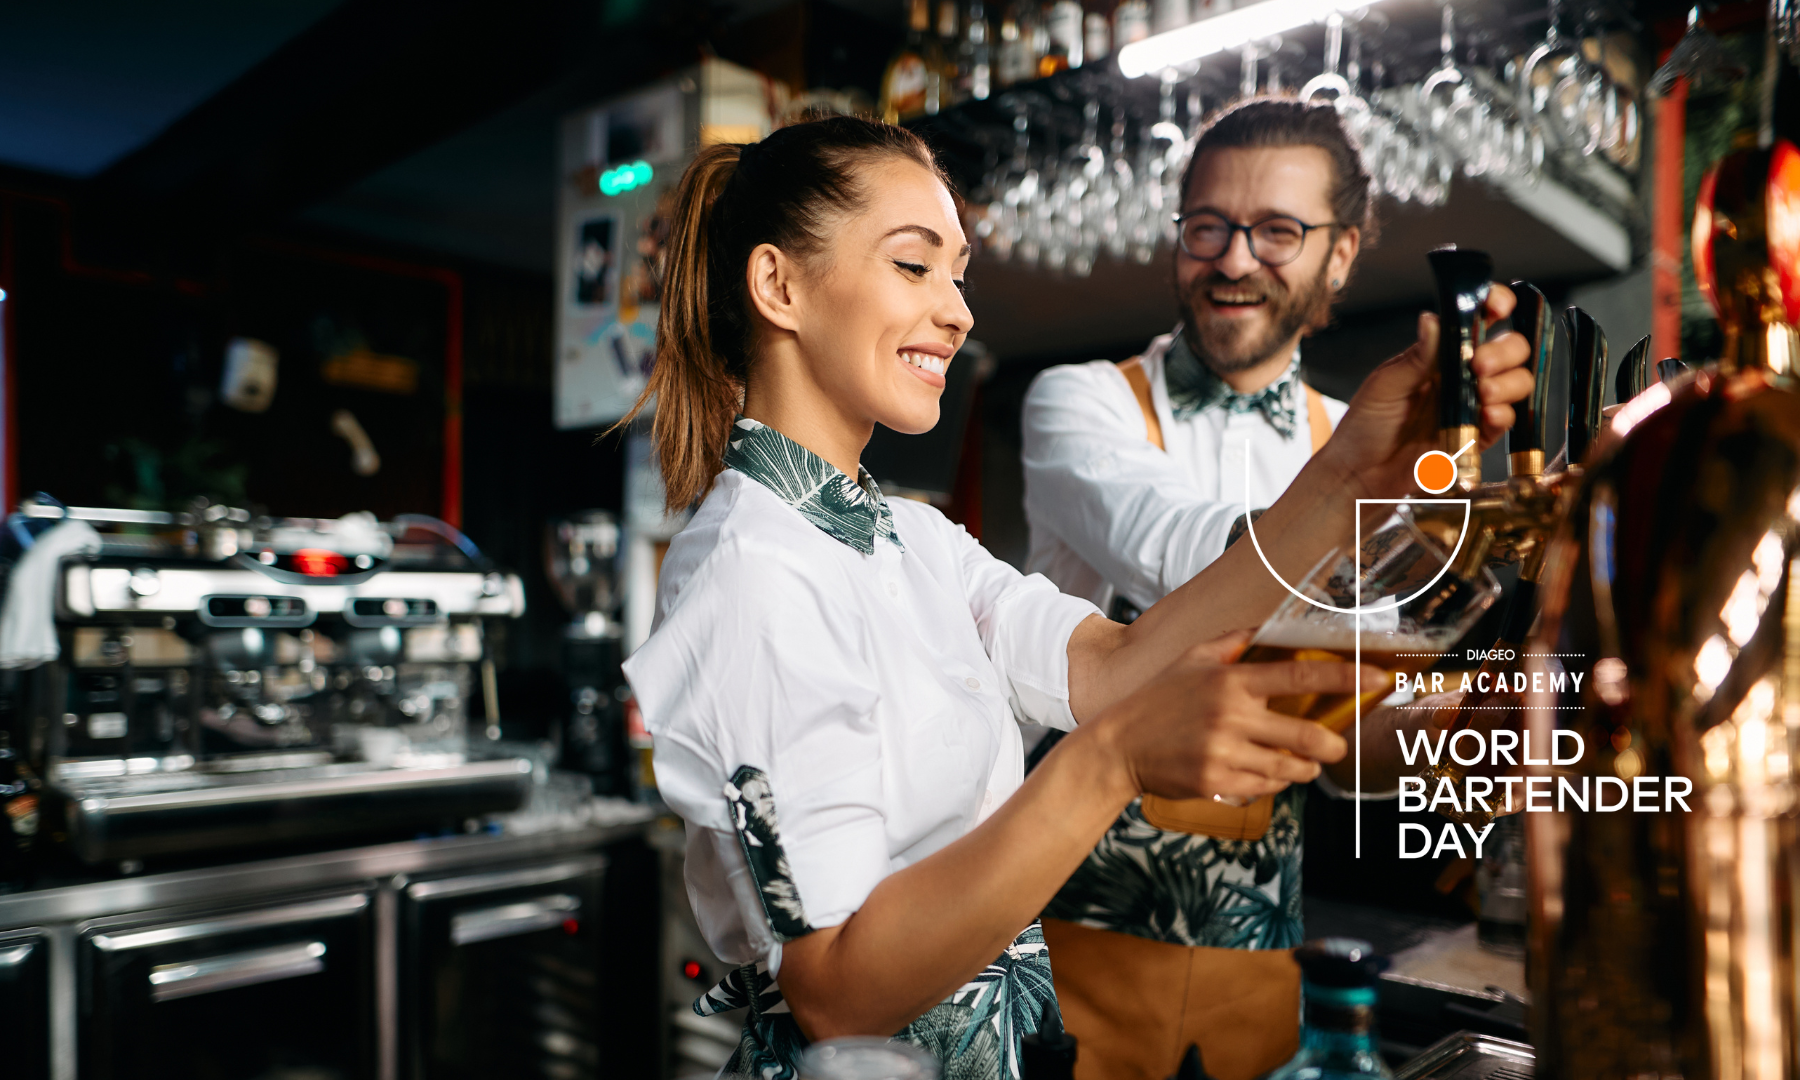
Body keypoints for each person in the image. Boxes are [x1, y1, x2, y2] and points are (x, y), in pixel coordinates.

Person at [619, 112, 1529, 1080]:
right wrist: (1116, 761)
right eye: (915, 266)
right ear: (779, 285)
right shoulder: (750, 570)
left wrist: (1348, 468)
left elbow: (1113, 666)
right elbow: (838, 989)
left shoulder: (910, 538)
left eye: (958, 272)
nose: (960, 311)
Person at [1018, 98, 1474, 1080]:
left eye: (1278, 231)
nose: (1233, 260)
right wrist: (1350, 487)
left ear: (1341, 254)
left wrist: (1464, 720)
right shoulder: (1080, 402)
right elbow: (1178, 548)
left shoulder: (1359, 440)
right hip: (1065, 952)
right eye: (1208, 227)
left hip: (1261, 969)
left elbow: (1352, 742)